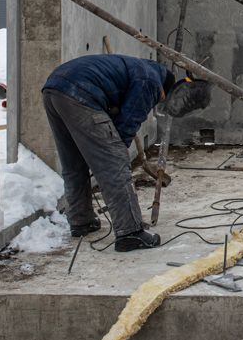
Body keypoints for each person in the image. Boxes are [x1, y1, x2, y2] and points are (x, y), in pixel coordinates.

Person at [41, 53, 210, 251]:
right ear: (170, 91)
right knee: (115, 161)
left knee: (74, 162)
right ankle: (130, 233)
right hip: (80, 94)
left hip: (54, 89)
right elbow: (126, 125)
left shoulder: (141, 69)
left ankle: (82, 221)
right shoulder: (150, 82)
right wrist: (110, 154)